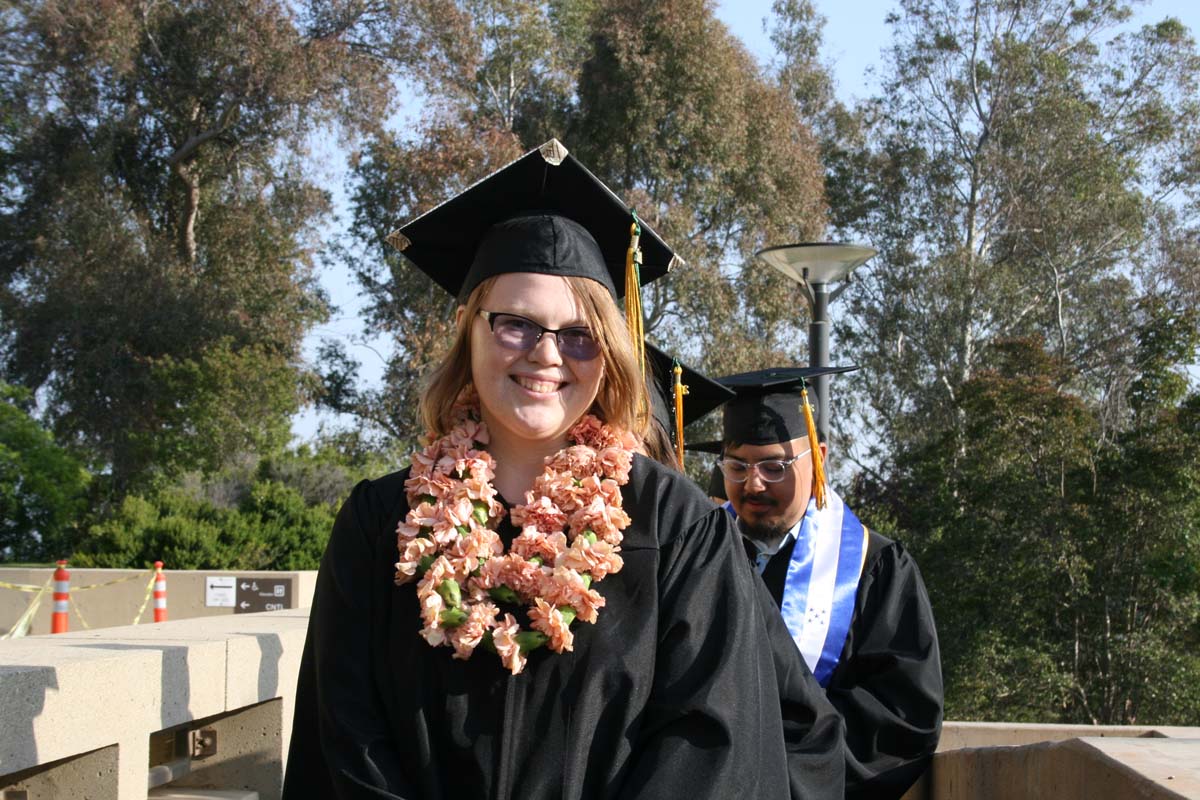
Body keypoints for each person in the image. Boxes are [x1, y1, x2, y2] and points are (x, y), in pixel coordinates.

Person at [283, 140, 843, 799]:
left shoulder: (677, 525)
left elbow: (708, 737)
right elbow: (346, 738)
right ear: (469, 330)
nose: (547, 355)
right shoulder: (382, 524)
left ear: (607, 354)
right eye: (515, 324)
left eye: (579, 334)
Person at [694, 367, 944, 799]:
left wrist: (779, 774)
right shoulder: (697, 561)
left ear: (819, 457)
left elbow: (902, 718)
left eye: (775, 466)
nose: (754, 484)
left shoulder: (874, 569)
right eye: (737, 466)